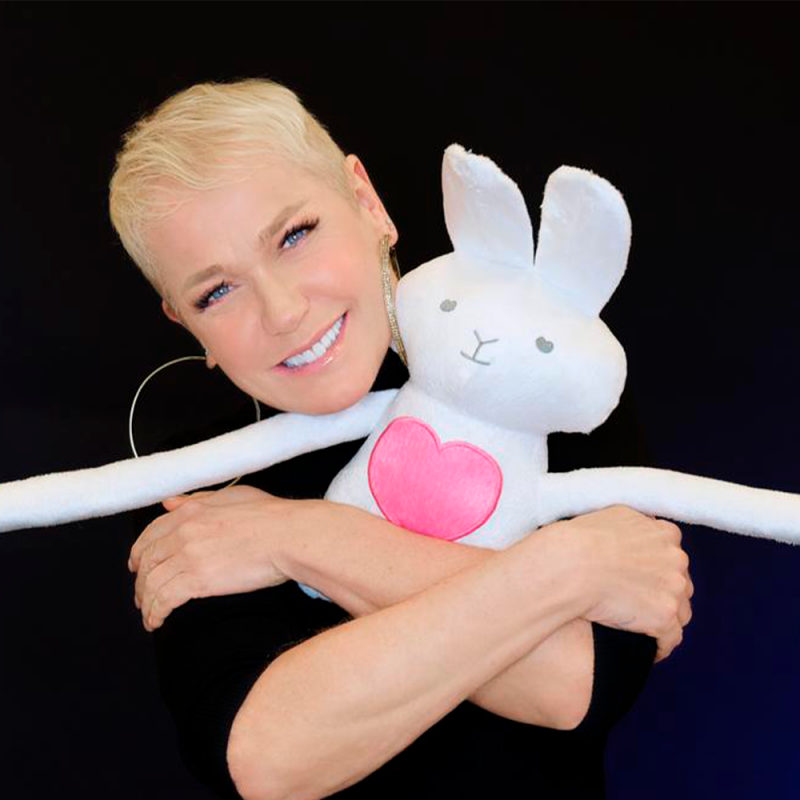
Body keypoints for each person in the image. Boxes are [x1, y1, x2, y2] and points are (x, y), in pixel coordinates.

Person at [112, 78, 693, 799]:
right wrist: (571, 565)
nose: (284, 311)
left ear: (367, 202)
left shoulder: (536, 367)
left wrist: (295, 536)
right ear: (185, 323)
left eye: (294, 236)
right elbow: (269, 758)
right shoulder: (197, 491)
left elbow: (577, 683)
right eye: (217, 292)